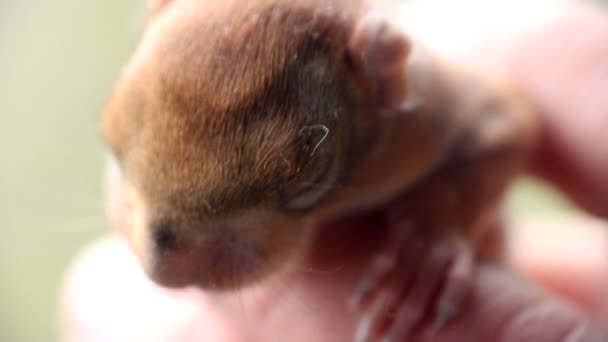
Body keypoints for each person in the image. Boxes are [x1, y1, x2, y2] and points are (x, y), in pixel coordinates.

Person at [62, 1, 608, 341]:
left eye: (296, 186)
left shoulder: (406, 101)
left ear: (383, 80)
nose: (161, 273)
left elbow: (503, 126)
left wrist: (441, 220)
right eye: (120, 156)